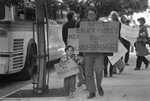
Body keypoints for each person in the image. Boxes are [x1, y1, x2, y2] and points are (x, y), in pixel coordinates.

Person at [82, 7, 104, 99]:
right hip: (87, 53)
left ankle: (99, 85)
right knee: (88, 73)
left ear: (96, 15)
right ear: (87, 15)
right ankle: (92, 91)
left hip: (99, 52)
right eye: (89, 14)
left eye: (92, 14)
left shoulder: (101, 24)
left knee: (99, 71)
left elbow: (107, 36)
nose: (91, 16)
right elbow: (79, 39)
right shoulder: (83, 25)